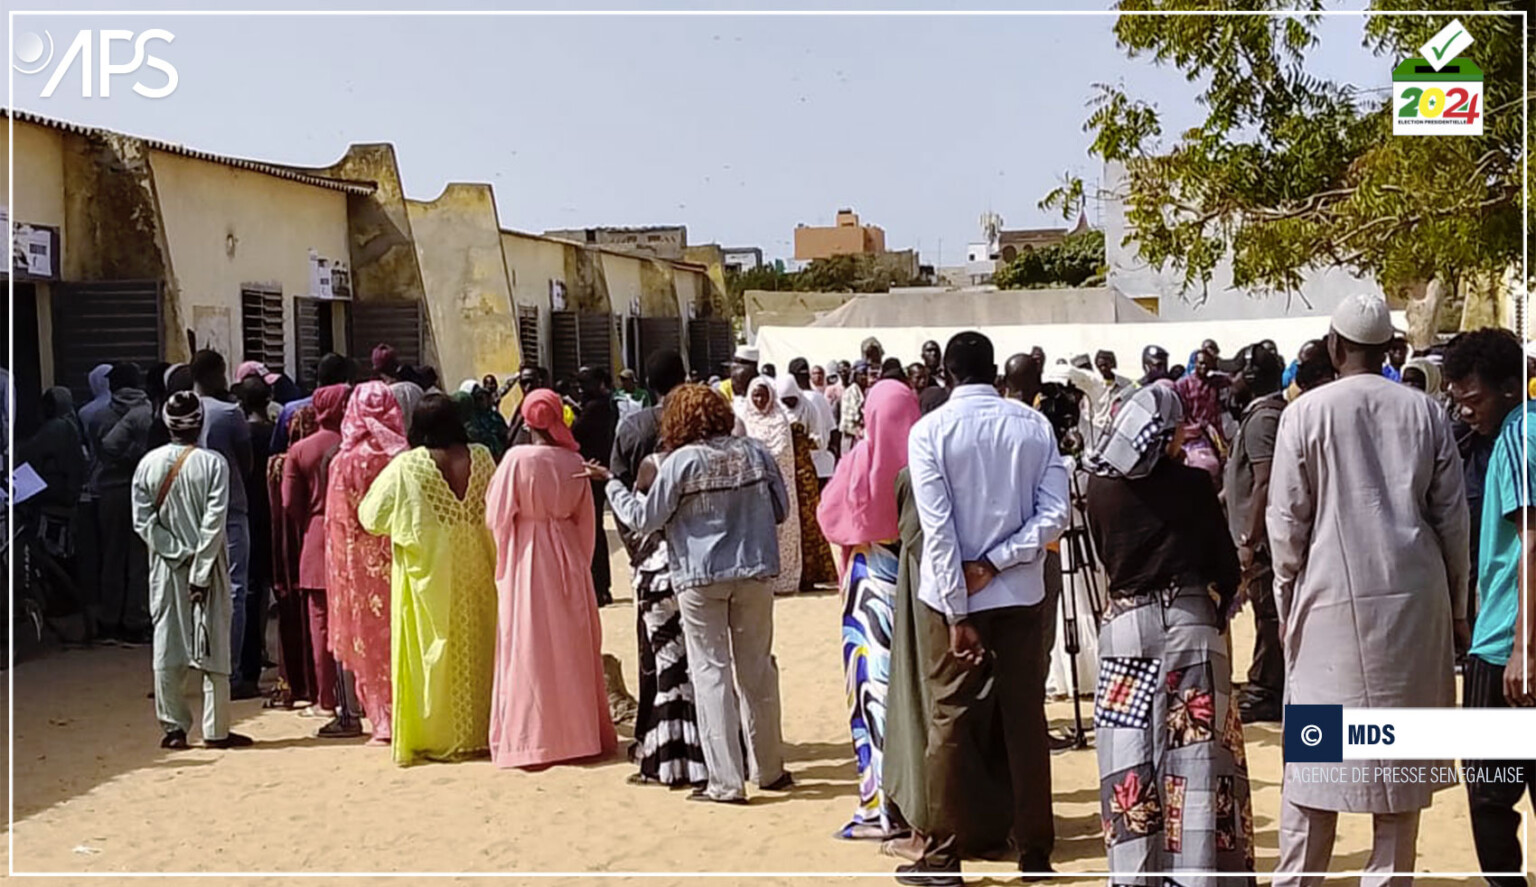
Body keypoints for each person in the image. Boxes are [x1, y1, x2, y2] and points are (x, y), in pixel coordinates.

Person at [1268, 294, 1469, 885]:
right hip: (1414, 604)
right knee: (1399, 772)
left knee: (1315, 767)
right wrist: (1458, 607)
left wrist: (1286, 601)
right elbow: (1452, 519)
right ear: (1390, 351)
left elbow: (1286, 524)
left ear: (1333, 347)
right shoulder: (1425, 411)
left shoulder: (1304, 414)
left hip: (1330, 602)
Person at [899, 331, 1068, 885]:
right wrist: (1000, 562)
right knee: (1025, 719)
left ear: (945, 374)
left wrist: (956, 612)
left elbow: (938, 532)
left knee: (949, 718)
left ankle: (943, 856)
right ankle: (1035, 851)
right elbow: (1053, 516)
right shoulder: (1034, 425)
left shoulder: (930, 432)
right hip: (1019, 594)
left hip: (959, 597)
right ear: (995, 371)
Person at [1084, 384, 1254, 881]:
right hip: (1191, 628)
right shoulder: (1193, 486)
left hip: (1124, 632)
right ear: (1163, 433)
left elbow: (1104, 559)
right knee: (1196, 764)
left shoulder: (1099, 487)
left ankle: (1134, 875)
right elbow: (1224, 566)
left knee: (1128, 767)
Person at [600, 384, 792, 805]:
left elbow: (643, 519)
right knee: (758, 671)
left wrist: (612, 485)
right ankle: (769, 769)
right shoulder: (755, 452)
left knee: (711, 673)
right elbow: (781, 510)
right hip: (756, 570)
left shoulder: (680, 462)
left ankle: (726, 781)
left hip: (699, 577)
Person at [1443, 329, 1536, 885]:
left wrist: (1523, 645)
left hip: (1507, 645)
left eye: (1472, 399)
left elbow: (1532, 537)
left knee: (1489, 796)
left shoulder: (1520, 438)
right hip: (1510, 639)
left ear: (1508, 388)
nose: (1464, 410)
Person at [360, 395, 498, 766]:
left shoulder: (407, 465)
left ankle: (440, 735)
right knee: (481, 645)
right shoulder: (482, 457)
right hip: (478, 568)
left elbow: (371, 515)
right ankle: (483, 730)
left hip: (430, 573)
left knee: (433, 654)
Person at [485, 389, 618, 769]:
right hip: (567, 554)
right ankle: (579, 734)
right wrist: (577, 558)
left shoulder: (514, 460)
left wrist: (508, 554)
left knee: (527, 642)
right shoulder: (572, 460)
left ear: (526, 420)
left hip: (527, 557)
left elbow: (496, 516)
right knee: (571, 641)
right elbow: (586, 520)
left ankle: (532, 736)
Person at [817, 376, 922, 840]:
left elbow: (830, 516)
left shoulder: (859, 460)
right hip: (919, 587)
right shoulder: (928, 462)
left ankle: (880, 803)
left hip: (870, 591)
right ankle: (919, 801)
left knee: (872, 694)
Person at [608, 350, 708, 787]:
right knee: (702, 661)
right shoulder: (710, 440)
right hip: (700, 562)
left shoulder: (636, 432)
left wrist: (636, 552)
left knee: (660, 663)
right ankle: (707, 746)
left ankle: (659, 748)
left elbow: (631, 507)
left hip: (656, 565)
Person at [132, 391, 252, 750]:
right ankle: (216, 730)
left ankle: (173, 729)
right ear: (199, 423)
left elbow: (143, 521)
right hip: (209, 567)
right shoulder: (214, 464)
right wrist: (200, 570)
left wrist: (175, 553)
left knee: (167, 645)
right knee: (214, 647)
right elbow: (214, 522)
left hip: (166, 569)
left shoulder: (147, 465)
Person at [325, 381, 409, 746]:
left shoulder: (343, 461)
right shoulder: (403, 458)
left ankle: (382, 719)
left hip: (358, 566)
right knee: (403, 633)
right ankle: (409, 710)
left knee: (369, 639)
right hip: (401, 559)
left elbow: (338, 522)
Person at [281, 383, 358, 738]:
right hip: (356, 539)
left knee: (322, 624)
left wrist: (309, 523)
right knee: (360, 620)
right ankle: (360, 696)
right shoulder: (358, 445)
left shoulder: (300, 450)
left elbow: (288, 504)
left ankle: (326, 697)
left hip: (316, 538)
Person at [1224, 345, 1287, 724]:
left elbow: (1265, 480)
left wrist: (1249, 538)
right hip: (1256, 536)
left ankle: (1266, 689)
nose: (1229, 381)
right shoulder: (1262, 415)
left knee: (1268, 616)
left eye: (1236, 373)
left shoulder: (1264, 419)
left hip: (1260, 542)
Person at [192, 351, 255, 679]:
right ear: (217, 374)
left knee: (191, 585)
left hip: (190, 508)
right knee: (234, 587)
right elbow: (246, 463)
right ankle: (227, 667)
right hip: (230, 505)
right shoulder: (230, 413)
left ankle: (194, 661)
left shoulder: (178, 409)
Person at [93, 363, 156, 644]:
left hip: (111, 491)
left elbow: (100, 449)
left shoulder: (98, 415)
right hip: (143, 491)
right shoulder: (151, 412)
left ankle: (109, 618)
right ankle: (136, 619)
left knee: (112, 557)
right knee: (139, 559)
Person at [234, 376, 275, 698]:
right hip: (274, 517)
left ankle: (248, 666)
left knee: (248, 591)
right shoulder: (276, 433)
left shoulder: (241, 434)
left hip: (246, 516)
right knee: (267, 590)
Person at [742, 376, 802, 596]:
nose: (759, 399)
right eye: (756, 395)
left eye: (763, 395)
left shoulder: (780, 420)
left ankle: (785, 580)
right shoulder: (744, 419)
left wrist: (762, 456)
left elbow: (782, 452)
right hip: (755, 486)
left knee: (783, 530)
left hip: (780, 486)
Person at [779, 374, 837, 591]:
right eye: (786, 401)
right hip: (784, 473)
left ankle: (812, 574)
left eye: (792, 400)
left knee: (810, 523)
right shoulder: (776, 412)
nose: (790, 405)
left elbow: (820, 440)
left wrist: (802, 441)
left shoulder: (809, 408)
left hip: (805, 474)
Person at [571, 366, 620, 607]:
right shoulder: (606, 405)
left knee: (593, 530)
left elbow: (576, 434)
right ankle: (601, 585)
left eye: (585, 384)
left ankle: (598, 585)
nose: (581, 390)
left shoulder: (597, 407)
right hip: (596, 470)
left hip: (593, 472)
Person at [272, 353, 350, 453]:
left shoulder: (291, 410)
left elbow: (277, 448)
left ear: (318, 381)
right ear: (345, 381)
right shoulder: (353, 411)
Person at [1174, 349, 1229, 486]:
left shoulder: (1215, 383)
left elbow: (1232, 379)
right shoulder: (1183, 384)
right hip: (1189, 435)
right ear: (1195, 364)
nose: (1203, 367)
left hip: (1212, 435)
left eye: (1207, 364)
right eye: (1201, 363)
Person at [788, 357, 836, 485]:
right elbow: (833, 431)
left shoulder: (791, 402)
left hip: (802, 467)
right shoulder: (819, 398)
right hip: (823, 465)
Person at [455, 382, 509, 461]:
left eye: (483, 397)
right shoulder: (470, 427)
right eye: (478, 398)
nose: (483, 400)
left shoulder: (492, 415)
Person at [1093, 350, 1133, 444]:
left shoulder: (1126, 384)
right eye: (1100, 366)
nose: (1103, 369)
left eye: (1105, 365)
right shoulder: (1094, 385)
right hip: (1098, 431)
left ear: (1112, 364)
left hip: (1118, 430)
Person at [840, 360, 871, 454]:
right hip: (851, 439)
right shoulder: (851, 392)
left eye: (866, 374)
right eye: (862, 374)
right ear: (855, 375)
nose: (864, 377)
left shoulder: (866, 391)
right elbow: (848, 423)